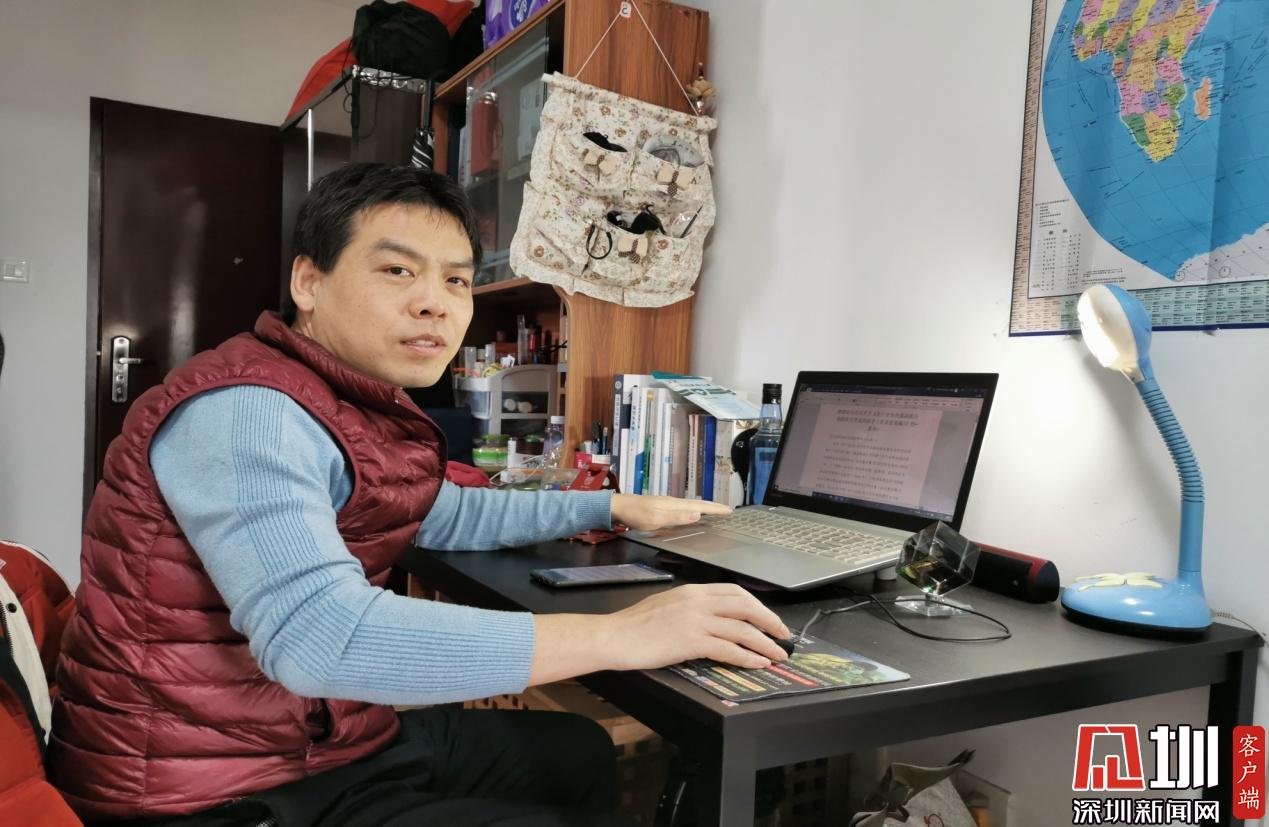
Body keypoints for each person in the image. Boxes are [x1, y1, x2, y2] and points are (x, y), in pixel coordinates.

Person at [48, 164, 791, 826]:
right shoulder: (248, 410)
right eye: (398, 271)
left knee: (577, 751)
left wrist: (610, 506)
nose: (435, 303)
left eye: (456, 280)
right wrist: (620, 634)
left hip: (311, 737)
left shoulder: (343, 399)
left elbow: (444, 510)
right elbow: (319, 639)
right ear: (308, 283)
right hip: (205, 790)